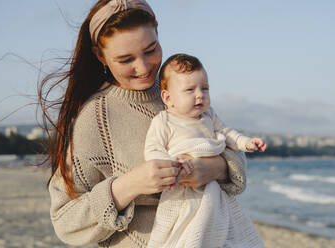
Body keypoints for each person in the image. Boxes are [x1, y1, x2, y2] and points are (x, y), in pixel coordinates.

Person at [39, 0, 248, 247]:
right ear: (100, 55)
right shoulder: (95, 119)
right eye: (126, 59)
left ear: (158, 31)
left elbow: (232, 151)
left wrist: (214, 168)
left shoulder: (180, 91)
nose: (144, 67)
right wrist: (131, 184)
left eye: (150, 50)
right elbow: (65, 220)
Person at [144, 54, 266, 248]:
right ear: (168, 98)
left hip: (213, 190)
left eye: (205, 88)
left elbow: (227, 134)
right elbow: (153, 150)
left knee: (224, 229)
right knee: (184, 232)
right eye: (190, 90)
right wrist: (171, 165)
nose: (200, 95)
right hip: (183, 191)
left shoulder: (209, 115)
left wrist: (246, 142)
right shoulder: (163, 121)